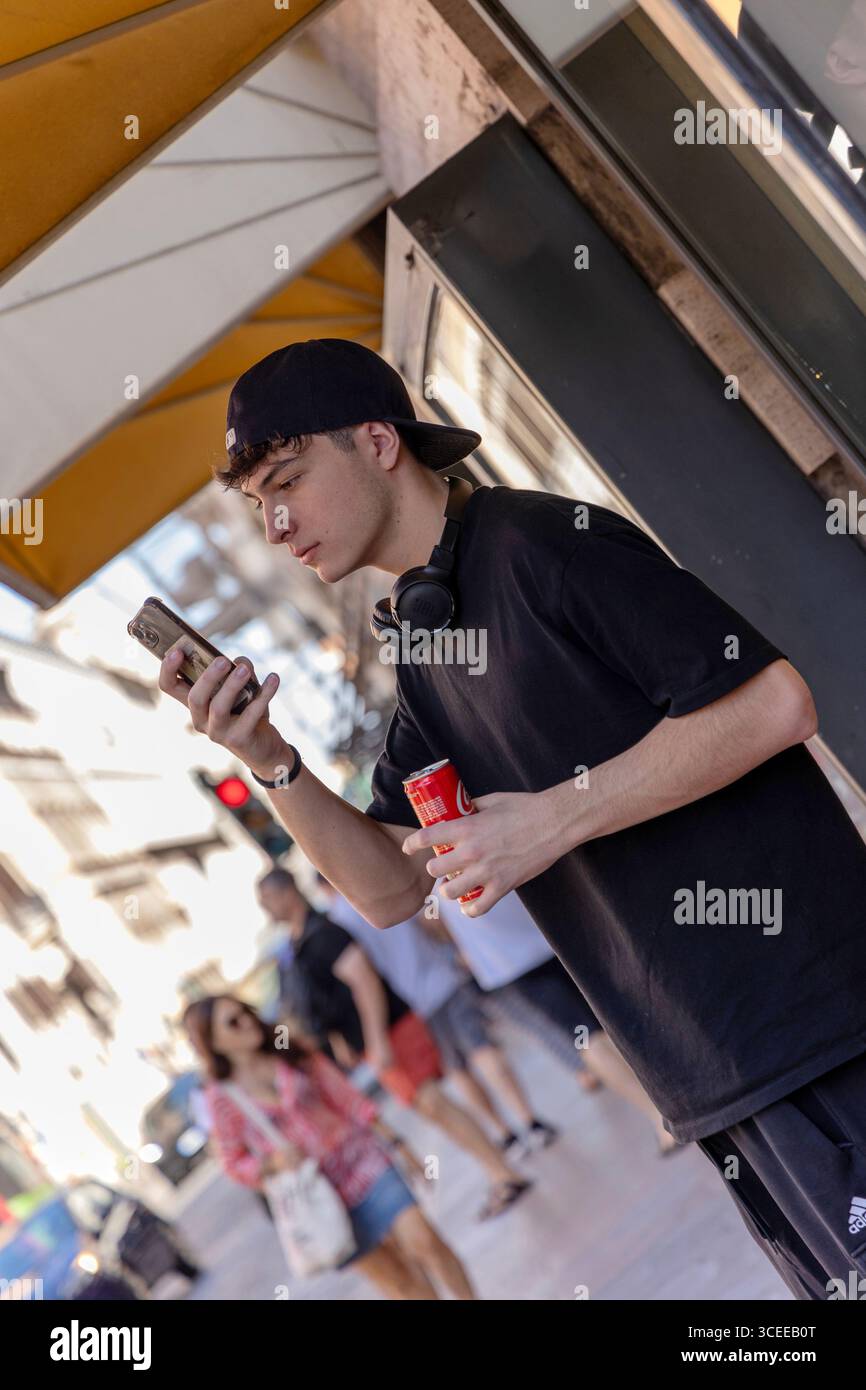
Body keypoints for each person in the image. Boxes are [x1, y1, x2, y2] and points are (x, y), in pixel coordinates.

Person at [158, 339, 866, 1300]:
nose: (277, 524)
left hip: (820, 1022)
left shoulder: (543, 541)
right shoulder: (423, 640)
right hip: (717, 1084)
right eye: (256, 505)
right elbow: (390, 886)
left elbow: (776, 704)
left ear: (377, 442)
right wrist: (269, 760)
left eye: (287, 479)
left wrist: (556, 819)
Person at [257, 867, 532, 1220]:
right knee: (432, 1108)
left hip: (392, 1030)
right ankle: (498, 1171)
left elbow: (364, 981)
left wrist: (377, 1041)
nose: (265, 907)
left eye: (267, 898)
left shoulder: (322, 932)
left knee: (435, 1104)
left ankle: (503, 1172)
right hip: (377, 1038)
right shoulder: (301, 942)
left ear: (285, 893)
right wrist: (347, 1042)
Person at [182, 994, 476, 1300]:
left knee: (424, 1240)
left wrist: (396, 1142)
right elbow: (233, 1162)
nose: (246, 1022)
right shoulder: (222, 1098)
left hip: (361, 1159)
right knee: (399, 1282)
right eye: (233, 1022)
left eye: (245, 1012)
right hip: (320, 1194)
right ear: (214, 1042)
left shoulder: (287, 1049)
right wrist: (274, 1164)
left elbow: (346, 1097)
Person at [315, 870, 560, 1156]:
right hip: (443, 979)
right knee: (481, 1049)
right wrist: (454, 947)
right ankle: (530, 1121)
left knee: (457, 1068)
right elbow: (429, 921)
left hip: (412, 1004)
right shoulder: (384, 887)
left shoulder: (339, 922)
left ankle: (505, 1135)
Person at [431, 886, 680, 1155]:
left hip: (509, 959)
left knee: (585, 1037)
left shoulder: (427, 867)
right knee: (610, 1015)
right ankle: (674, 1100)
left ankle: (659, 1119)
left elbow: (432, 922)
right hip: (549, 928)